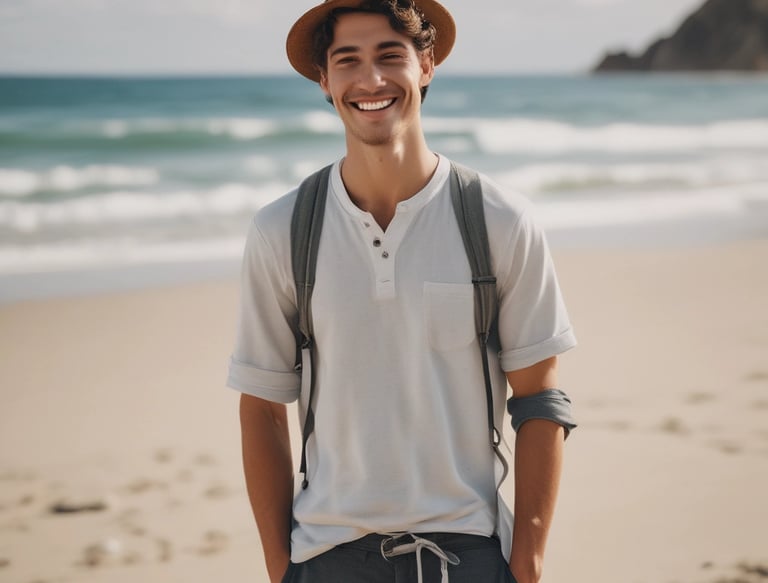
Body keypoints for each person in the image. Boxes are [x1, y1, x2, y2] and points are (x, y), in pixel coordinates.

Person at [227, 1, 577, 582]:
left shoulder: (501, 220)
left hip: (468, 554)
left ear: (427, 65)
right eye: (348, 61)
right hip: (325, 557)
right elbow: (262, 407)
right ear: (325, 80)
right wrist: (280, 568)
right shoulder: (282, 229)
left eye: (391, 56)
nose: (370, 81)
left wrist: (527, 567)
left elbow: (540, 402)